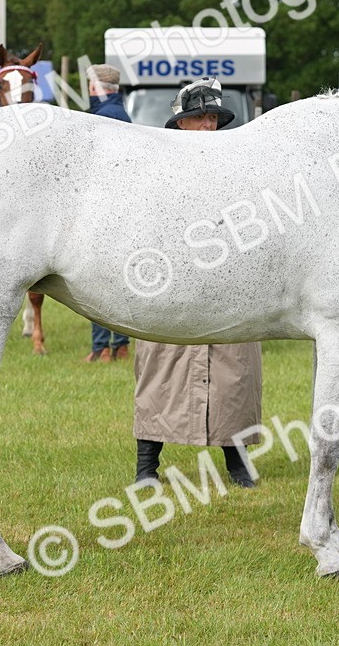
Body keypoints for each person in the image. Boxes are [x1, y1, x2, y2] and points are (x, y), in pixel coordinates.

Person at [132, 78, 259, 488]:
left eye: (212, 118)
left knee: (234, 372)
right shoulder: (156, 168)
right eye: (198, 118)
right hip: (172, 281)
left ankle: (237, 465)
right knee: (159, 369)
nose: (207, 126)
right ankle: (146, 469)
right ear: (180, 124)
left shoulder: (240, 165)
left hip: (229, 283)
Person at [84, 64, 132, 362]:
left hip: (104, 209)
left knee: (98, 283)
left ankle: (102, 347)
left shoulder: (100, 120)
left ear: (96, 88)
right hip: (124, 207)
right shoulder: (124, 115)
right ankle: (120, 344)